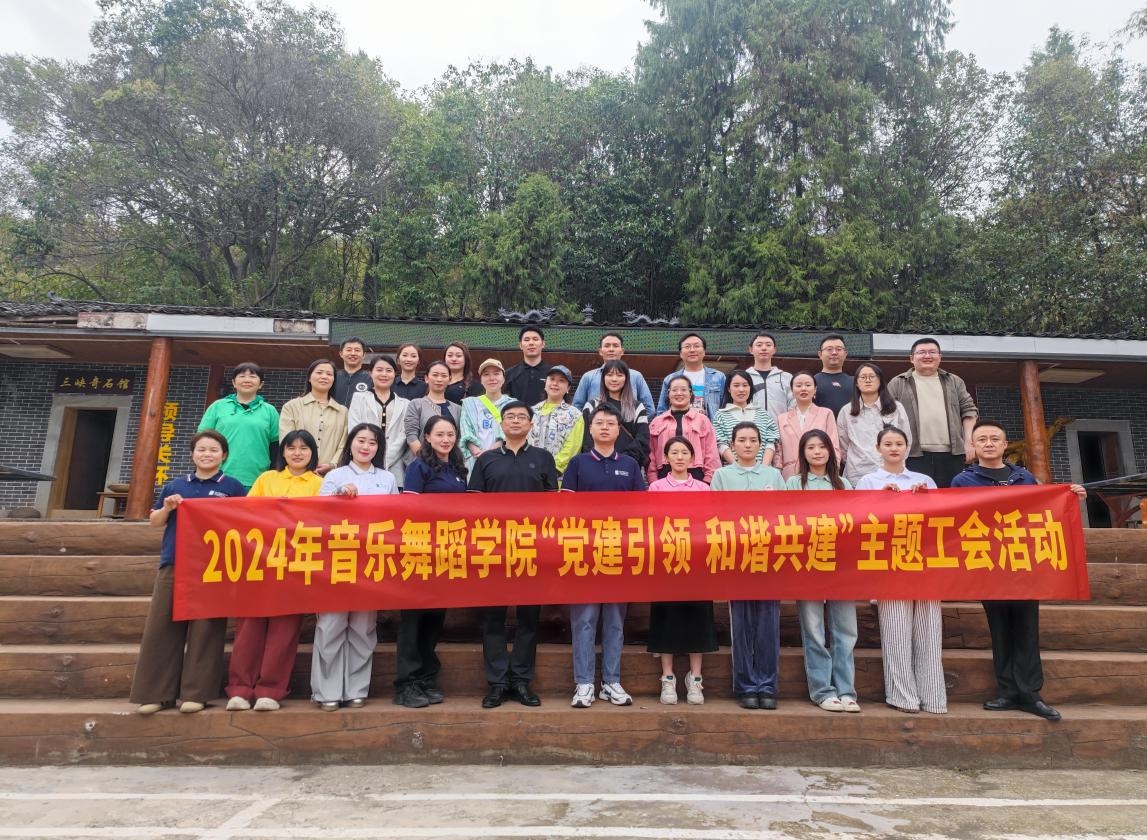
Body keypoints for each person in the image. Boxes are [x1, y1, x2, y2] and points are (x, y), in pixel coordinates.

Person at [951, 418, 1088, 722]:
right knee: (999, 629)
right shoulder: (963, 481)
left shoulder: (1023, 477)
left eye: (994, 439)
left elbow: (1045, 509)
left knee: (1027, 627)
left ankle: (1031, 694)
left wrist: (1070, 496)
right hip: (988, 565)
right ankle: (1007, 691)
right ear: (973, 445)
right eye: (982, 439)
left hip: (1024, 565)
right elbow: (954, 520)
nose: (988, 443)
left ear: (1004, 444)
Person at [130, 431, 247, 715]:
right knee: (161, 627)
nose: (207, 455)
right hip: (175, 561)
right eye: (201, 450)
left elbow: (244, 521)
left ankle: (197, 693)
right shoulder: (175, 485)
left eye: (213, 450)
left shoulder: (232, 486)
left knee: (206, 629)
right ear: (193, 454)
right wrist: (168, 508)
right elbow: (154, 521)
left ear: (224, 455)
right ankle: (156, 693)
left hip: (213, 565)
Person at [467, 401, 559, 708]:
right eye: (510, 417)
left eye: (522, 417)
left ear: (531, 425)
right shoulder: (486, 460)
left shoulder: (543, 458)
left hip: (532, 549)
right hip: (493, 549)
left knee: (528, 619)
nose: (516, 421)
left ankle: (521, 681)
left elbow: (553, 505)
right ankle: (497, 683)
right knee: (493, 618)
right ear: (501, 424)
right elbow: (473, 506)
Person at [225, 430, 323, 711]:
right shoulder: (266, 479)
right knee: (249, 629)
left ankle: (270, 690)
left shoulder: (320, 484)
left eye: (304, 448)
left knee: (284, 631)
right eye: (291, 448)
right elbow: (246, 515)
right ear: (282, 452)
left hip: (296, 565)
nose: (297, 453)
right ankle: (240, 689)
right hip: (259, 563)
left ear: (313, 453)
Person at [856, 426, 945, 715]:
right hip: (888, 564)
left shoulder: (925, 481)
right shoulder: (868, 481)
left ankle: (934, 697)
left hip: (924, 563)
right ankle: (903, 696)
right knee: (895, 633)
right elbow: (857, 521)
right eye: (888, 444)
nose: (894, 448)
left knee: (930, 632)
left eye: (899, 443)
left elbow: (943, 520)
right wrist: (878, 499)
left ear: (907, 447)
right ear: (878, 448)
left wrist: (925, 499)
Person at [561, 404, 644, 708]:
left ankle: (611, 681)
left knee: (615, 622)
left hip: (619, 553)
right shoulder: (578, 464)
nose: (605, 427)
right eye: (599, 423)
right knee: (584, 620)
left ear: (619, 429)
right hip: (583, 553)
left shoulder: (630, 466)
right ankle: (584, 683)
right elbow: (566, 511)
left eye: (611, 423)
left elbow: (641, 512)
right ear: (591, 429)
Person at [312, 423, 395, 710]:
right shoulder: (335, 476)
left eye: (372, 442)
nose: (366, 447)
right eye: (361, 440)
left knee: (363, 627)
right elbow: (315, 515)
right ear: (350, 444)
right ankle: (327, 691)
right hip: (337, 558)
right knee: (330, 625)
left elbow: (396, 519)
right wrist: (337, 496)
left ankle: (356, 689)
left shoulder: (387, 478)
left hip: (371, 560)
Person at [711, 422, 786, 709]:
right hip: (736, 557)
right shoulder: (721, 476)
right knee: (741, 624)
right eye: (741, 440)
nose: (747, 445)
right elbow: (714, 516)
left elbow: (786, 515)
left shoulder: (773, 476)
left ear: (760, 444)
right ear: (732, 445)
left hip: (769, 558)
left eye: (753, 440)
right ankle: (745, 686)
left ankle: (767, 685)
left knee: (768, 624)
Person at [786, 429, 860, 714]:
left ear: (831, 451)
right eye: (811, 447)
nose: (817, 452)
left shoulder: (844, 484)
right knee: (814, 630)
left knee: (846, 630)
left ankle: (846, 690)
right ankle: (822, 691)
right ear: (803, 453)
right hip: (807, 565)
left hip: (841, 566)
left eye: (822, 447)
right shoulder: (794, 483)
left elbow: (855, 523)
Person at [398, 416, 469, 707]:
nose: (445, 439)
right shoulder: (419, 467)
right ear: (427, 437)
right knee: (413, 619)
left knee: (434, 619)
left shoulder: (457, 468)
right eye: (439, 434)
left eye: (450, 434)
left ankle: (426, 678)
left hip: (447, 551)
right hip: (420, 550)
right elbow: (409, 508)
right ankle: (406, 684)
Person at [647, 436, 717, 705]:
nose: (679, 457)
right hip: (665, 561)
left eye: (684, 452)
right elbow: (650, 522)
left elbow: (710, 523)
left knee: (698, 616)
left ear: (693, 458)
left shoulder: (703, 488)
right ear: (665, 458)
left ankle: (695, 678)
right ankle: (667, 677)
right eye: (674, 452)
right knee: (666, 617)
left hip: (696, 561)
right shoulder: (656, 487)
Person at [886, 337, 978, 488]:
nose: (927, 356)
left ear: (940, 357)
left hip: (952, 454)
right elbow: (887, 417)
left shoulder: (954, 381)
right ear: (912, 358)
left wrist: (969, 442)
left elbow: (969, 411)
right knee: (917, 497)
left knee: (952, 497)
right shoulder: (898, 382)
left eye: (932, 352)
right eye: (922, 352)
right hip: (913, 454)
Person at [197, 361, 279, 489]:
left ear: (261, 384)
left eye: (252, 376)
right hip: (219, 477)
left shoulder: (270, 411)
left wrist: (273, 474)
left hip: (257, 479)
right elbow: (202, 440)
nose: (247, 380)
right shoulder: (217, 406)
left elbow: (275, 446)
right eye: (242, 376)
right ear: (234, 383)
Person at [836, 362, 912, 485]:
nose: (868, 380)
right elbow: (843, 445)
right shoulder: (847, 411)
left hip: (891, 472)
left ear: (880, 380)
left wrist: (895, 461)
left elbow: (906, 439)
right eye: (863, 377)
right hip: (858, 474)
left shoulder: (896, 408)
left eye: (872, 377)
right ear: (856, 383)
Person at [347, 354, 412, 489]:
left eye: (389, 370)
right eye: (379, 370)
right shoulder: (359, 398)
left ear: (395, 374)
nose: (384, 374)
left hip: (394, 466)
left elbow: (403, 435)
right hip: (362, 462)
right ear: (371, 373)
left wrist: (384, 459)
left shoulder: (405, 404)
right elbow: (354, 429)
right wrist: (369, 455)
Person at [278, 359, 348, 478]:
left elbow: (344, 443)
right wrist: (304, 464)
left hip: (330, 476)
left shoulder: (343, 412)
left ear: (333, 380)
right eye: (319, 372)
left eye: (329, 374)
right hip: (297, 473)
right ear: (309, 378)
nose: (324, 377)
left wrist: (332, 465)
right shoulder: (291, 407)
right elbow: (286, 440)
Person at [647, 374, 720, 484]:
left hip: (697, 476)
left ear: (690, 394)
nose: (679, 393)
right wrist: (653, 479)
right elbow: (651, 454)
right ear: (668, 394)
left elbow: (712, 453)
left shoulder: (703, 420)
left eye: (683, 389)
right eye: (674, 390)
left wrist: (708, 480)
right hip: (664, 476)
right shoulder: (657, 422)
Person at [580, 359, 650, 472]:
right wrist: (597, 459)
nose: (614, 379)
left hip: (627, 466)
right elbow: (586, 439)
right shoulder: (592, 405)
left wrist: (622, 460)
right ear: (603, 378)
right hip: (596, 466)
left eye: (619, 375)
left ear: (626, 378)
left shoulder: (637, 407)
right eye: (609, 375)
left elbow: (643, 439)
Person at [773, 371, 841, 480]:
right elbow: (778, 451)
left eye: (808, 385)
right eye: (798, 385)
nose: (803, 388)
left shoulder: (826, 414)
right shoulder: (781, 419)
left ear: (815, 389)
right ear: (792, 391)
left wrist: (833, 472)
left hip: (820, 472)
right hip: (790, 475)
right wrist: (777, 474)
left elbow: (834, 446)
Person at [572, 332, 655, 417]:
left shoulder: (636, 376)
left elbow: (649, 409)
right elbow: (577, 407)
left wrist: (638, 423)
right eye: (607, 346)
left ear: (622, 351)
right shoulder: (588, 377)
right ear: (600, 351)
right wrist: (590, 424)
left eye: (615, 346)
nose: (611, 349)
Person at [713, 369, 779, 466]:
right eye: (736, 385)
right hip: (732, 471)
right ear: (728, 389)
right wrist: (738, 467)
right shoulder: (720, 416)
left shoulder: (763, 414)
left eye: (745, 385)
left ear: (750, 388)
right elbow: (721, 444)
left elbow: (771, 442)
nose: (741, 389)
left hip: (762, 471)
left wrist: (763, 468)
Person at [528, 365, 584, 478]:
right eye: (552, 379)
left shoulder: (575, 415)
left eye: (561, 381)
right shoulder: (531, 411)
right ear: (545, 383)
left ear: (568, 388)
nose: (555, 383)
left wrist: (552, 470)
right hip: (529, 473)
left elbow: (572, 448)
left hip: (557, 477)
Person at [655, 333, 726, 419]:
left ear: (704, 352)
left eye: (696, 346)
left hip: (710, 426)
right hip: (678, 426)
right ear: (681, 353)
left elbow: (725, 408)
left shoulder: (718, 377)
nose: (692, 350)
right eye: (687, 346)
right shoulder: (670, 379)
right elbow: (662, 410)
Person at [459, 358, 513, 470]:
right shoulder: (470, 403)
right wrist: (477, 452)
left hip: (503, 461)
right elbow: (466, 430)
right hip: (475, 461)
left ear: (503, 378)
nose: (491, 378)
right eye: (486, 374)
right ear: (481, 380)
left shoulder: (513, 404)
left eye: (496, 374)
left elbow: (511, 432)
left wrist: (490, 452)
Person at [404, 361, 462, 458]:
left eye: (444, 376)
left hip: (450, 462)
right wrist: (426, 460)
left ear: (449, 380)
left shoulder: (457, 409)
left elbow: (459, 438)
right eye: (435, 375)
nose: (439, 379)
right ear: (426, 378)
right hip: (421, 461)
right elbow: (411, 435)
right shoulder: (416, 404)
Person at [745, 332, 792, 417]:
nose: (764, 348)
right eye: (759, 345)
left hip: (780, 425)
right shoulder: (743, 377)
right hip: (750, 425)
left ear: (774, 350)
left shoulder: (787, 377)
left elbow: (793, 406)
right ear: (751, 350)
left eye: (768, 345)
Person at [504, 326, 552, 406]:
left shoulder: (553, 373)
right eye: (526, 340)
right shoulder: (509, 374)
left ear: (543, 344)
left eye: (535, 339)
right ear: (520, 345)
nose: (531, 343)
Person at [813, 334, 854, 417]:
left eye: (839, 349)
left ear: (845, 353)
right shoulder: (811, 382)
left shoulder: (856, 382)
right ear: (820, 354)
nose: (834, 353)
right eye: (829, 349)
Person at [332, 336, 372, 407]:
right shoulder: (332, 377)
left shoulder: (371, 379)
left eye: (357, 350)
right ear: (341, 354)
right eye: (349, 350)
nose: (353, 353)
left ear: (364, 355)